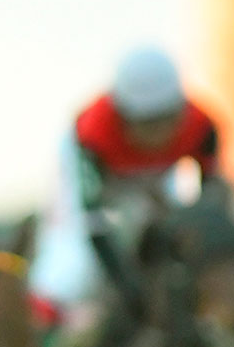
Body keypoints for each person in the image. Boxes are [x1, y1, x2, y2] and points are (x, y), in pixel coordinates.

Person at [32, 45, 224, 316]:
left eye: (167, 118)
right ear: (122, 114)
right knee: (74, 264)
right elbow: (92, 223)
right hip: (104, 180)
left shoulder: (202, 127)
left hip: (156, 179)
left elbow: (210, 205)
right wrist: (127, 287)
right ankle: (45, 312)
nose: (159, 134)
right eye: (147, 122)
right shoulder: (91, 135)